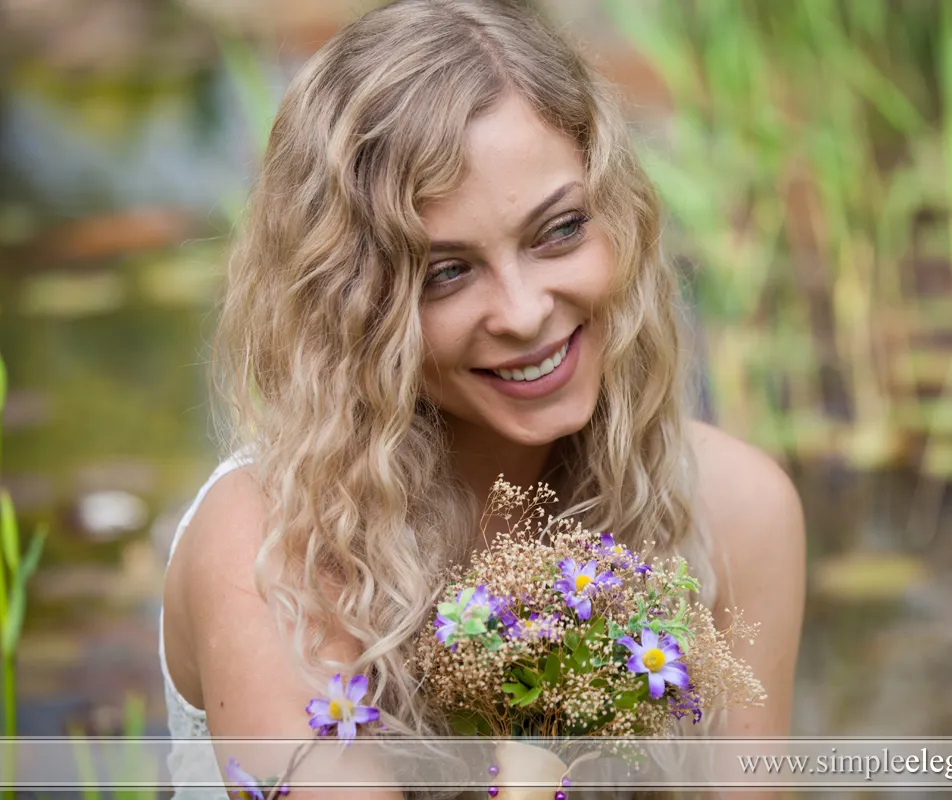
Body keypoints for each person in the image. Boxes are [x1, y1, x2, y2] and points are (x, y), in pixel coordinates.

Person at [157, 0, 805, 797]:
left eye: (559, 230)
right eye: (445, 273)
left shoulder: (738, 510)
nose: (526, 312)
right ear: (351, 307)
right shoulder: (275, 551)